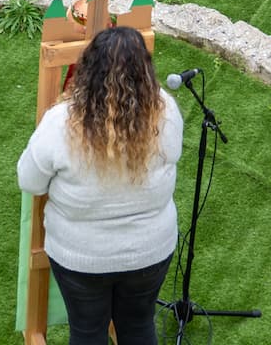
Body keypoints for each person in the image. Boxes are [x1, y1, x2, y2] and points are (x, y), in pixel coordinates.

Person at [16, 25, 182, 345]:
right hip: (150, 252)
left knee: (87, 331)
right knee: (137, 326)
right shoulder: (166, 112)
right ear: (145, 71)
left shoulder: (60, 122)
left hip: (81, 257)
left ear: (88, 68)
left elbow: (30, 180)